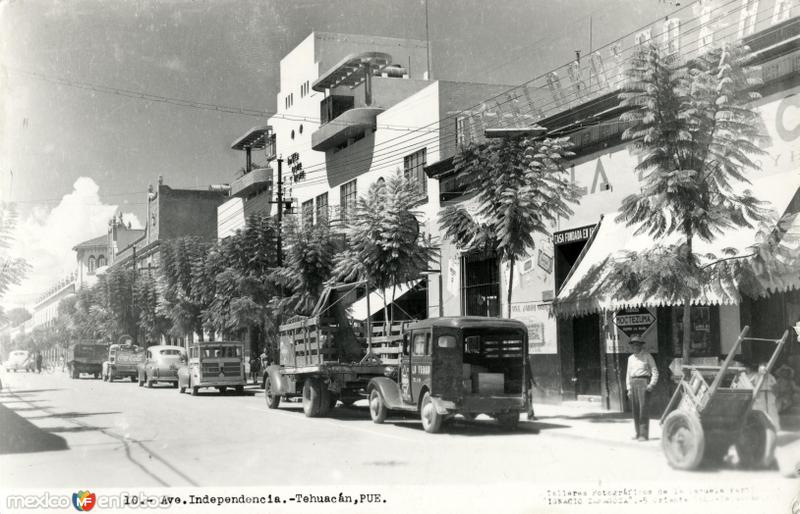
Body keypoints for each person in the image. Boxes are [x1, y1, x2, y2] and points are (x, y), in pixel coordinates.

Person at [626, 336, 659, 441]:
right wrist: (629, 388)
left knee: (643, 409)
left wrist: (651, 384)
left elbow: (655, 371)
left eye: (637, 344)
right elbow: (628, 374)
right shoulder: (630, 358)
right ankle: (637, 433)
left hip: (644, 383)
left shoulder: (647, 356)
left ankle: (643, 435)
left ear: (641, 345)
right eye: (633, 345)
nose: (635, 346)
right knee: (635, 410)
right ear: (632, 346)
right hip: (633, 383)